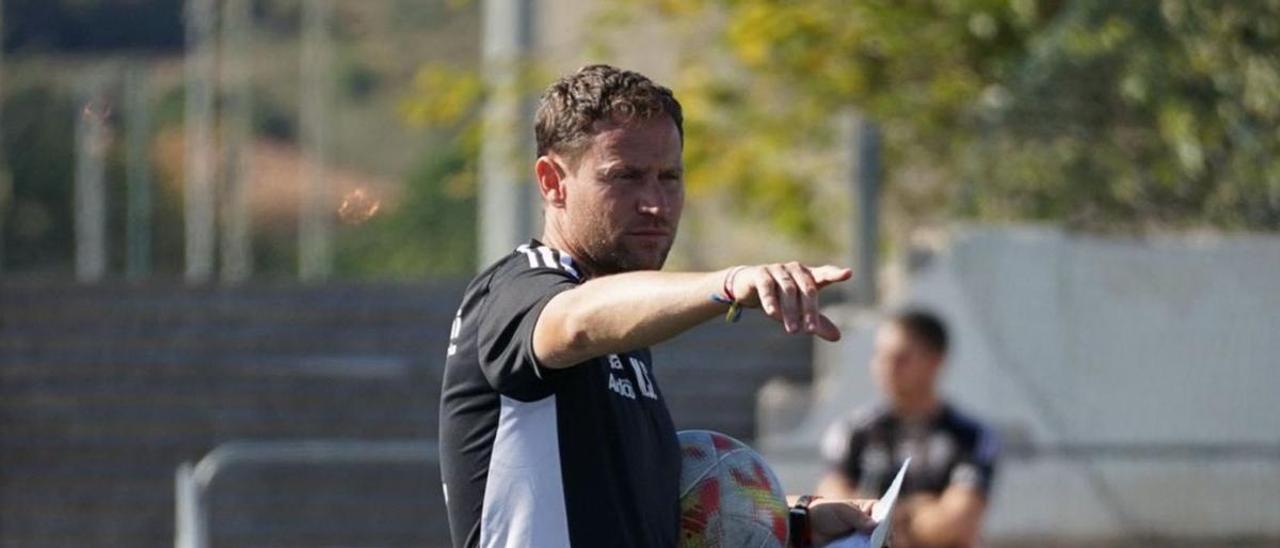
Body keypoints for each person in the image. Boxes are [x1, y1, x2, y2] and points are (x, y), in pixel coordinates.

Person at [439, 64, 875, 548]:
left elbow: (646, 515)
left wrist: (797, 522)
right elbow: (575, 322)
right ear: (552, 181)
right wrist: (729, 283)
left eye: (669, 177)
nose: (655, 202)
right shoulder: (515, 288)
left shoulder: (626, 341)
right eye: (624, 176)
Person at [816, 309, 999, 548]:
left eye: (900, 358)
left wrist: (875, 514)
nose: (885, 367)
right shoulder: (853, 432)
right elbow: (831, 507)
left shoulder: (970, 436)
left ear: (935, 361)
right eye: (880, 356)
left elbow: (957, 520)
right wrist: (920, 509)